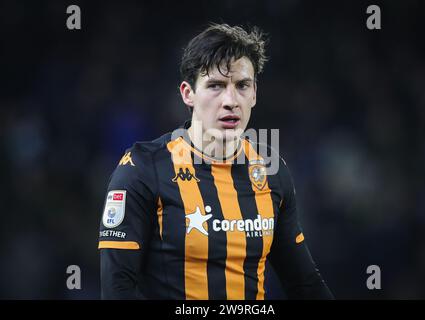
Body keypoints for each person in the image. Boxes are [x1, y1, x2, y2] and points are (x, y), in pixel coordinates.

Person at [98, 23, 333, 300]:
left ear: (254, 93)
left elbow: (304, 283)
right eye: (216, 86)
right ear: (188, 94)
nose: (231, 100)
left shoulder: (270, 169)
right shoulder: (142, 169)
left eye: (242, 85)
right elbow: (118, 290)